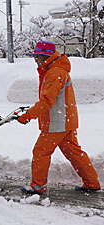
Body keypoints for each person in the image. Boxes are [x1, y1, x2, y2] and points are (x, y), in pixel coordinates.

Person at [17, 40, 101, 194]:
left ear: (45, 56)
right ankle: (92, 182)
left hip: (57, 122)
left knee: (40, 152)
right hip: (65, 121)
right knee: (75, 153)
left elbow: (47, 100)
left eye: (37, 56)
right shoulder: (56, 70)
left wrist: (29, 115)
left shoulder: (55, 73)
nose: (35, 60)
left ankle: (38, 186)